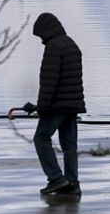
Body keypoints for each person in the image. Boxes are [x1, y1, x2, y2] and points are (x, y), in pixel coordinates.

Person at [8, 12, 86, 196]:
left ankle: (56, 178)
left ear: (47, 31)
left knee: (41, 139)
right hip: (72, 105)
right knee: (69, 147)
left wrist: (41, 108)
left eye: (41, 35)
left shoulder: (53, 47)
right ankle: (72, 183)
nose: (41, 39)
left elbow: (49, 83)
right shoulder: (72, 45)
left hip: (57, 107)